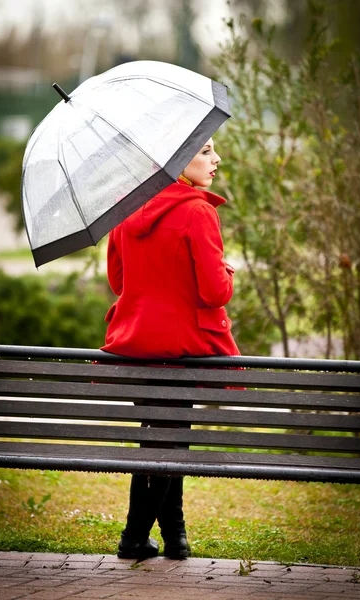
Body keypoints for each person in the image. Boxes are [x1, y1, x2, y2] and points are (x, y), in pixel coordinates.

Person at [101, 137, 241, 560]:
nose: (215, 159)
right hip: (184, 345)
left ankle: (172, 534)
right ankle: (134, 537)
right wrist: (227, 271)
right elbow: (215, 292)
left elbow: (119, 283)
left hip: (138, 342)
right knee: (168, 439)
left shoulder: (126, 209)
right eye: (205, 151)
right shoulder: (198, 211)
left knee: (160, 438)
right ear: (178, 160)